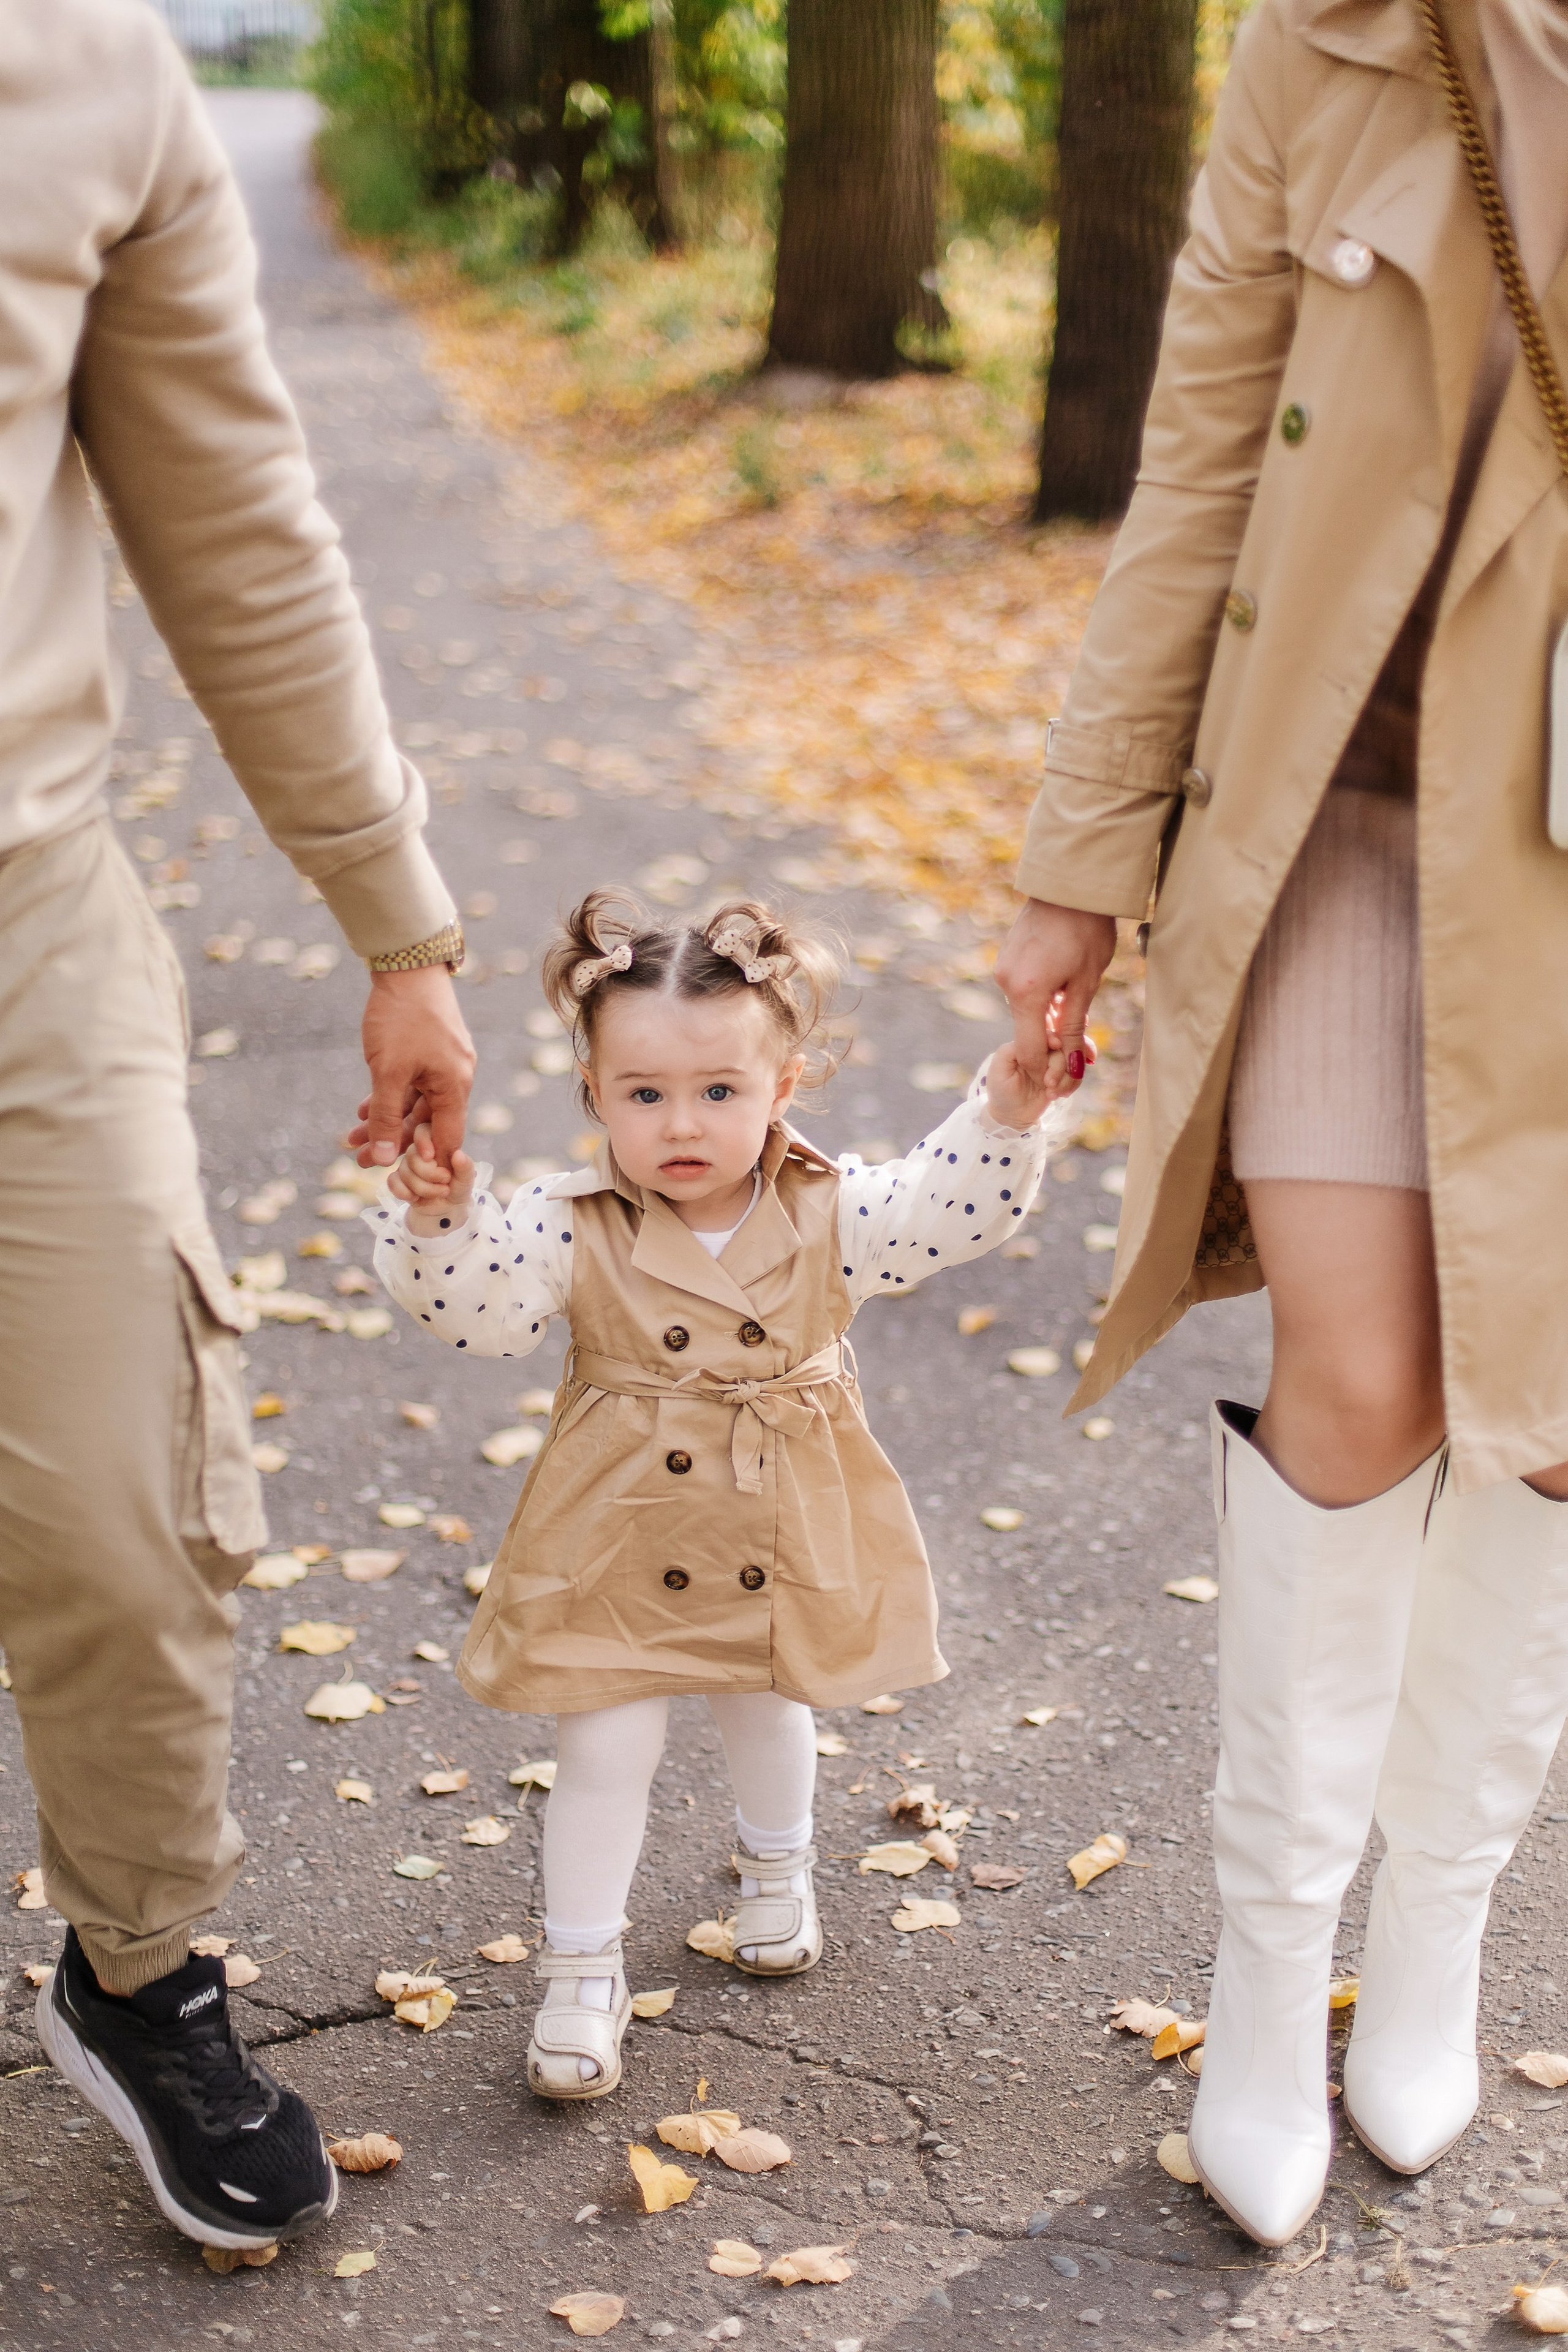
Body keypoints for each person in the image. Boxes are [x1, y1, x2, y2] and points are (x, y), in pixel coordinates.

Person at [995, 0, 1568, 2252]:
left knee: (1549, 1415)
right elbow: (1204, 457)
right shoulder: (1330, 45)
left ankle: (1437, 1928)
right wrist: (1080, 852)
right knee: (1360, 1360)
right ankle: (1265, 1967)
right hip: (1343, 795)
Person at [7, 3, 473, 2252]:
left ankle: (137, 1969)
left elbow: (237, 523)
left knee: (122, 1511)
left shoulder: (86, 72)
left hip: (20, 927)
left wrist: (396, 916)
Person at [368, 891, 1061, 2099]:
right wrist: (435, 1219)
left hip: (773, 1510)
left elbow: (941, 1213)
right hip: (615, 1529)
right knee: (603, 1743)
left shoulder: (828, 1210)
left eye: (718, 1092)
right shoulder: (563, 1223)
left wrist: (1004, 1110)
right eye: (642, 1094)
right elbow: (472, 1317)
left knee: (766, 1694)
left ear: (781, 1084)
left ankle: (776, 1867)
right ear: (593, 1090)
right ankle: (581, 1976)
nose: (679, 1122)